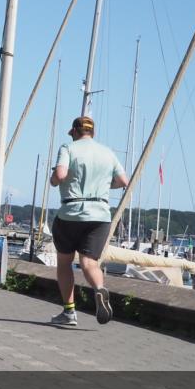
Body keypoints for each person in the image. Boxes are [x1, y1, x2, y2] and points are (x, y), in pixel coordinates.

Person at [49, 116, 128, 327]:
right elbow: (123, 181)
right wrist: (103, 186)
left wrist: (54, 180)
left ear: (75, 131)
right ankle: (99, 289)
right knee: (89, 263)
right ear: (92, 132)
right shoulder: (107, 153)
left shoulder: (68, 147)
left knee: (65, 262)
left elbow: (61, 173)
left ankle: (69, 312)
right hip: (100, 215)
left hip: (71, 213)